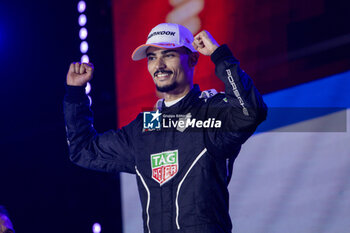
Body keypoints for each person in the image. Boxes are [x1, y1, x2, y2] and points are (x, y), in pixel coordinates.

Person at [64, 23, 267, 233]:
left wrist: (220, 55)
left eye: (168, 55)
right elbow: (83, 150)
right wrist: (75, 94)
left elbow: (250, 112)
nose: (158, 65)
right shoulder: (144, 128)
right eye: (152, 57)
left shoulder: (210, 112)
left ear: (193, 58)